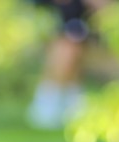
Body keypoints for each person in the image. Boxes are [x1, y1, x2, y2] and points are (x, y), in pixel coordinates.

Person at [26, 0, 110, 129]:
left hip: (86, 41)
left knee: (73, 48)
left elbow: (108, 12)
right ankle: (51, 102)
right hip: (54, 41)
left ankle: (68, 103)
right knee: (67, 49)